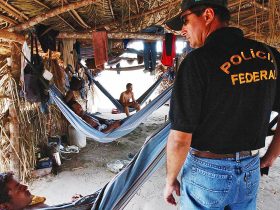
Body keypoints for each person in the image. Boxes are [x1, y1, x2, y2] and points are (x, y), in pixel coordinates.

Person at [164, 0, 280, 209]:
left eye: (185, 20)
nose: (182, 30)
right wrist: (271, 155)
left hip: (207, 172)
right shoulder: (269, 56)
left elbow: (180, 138)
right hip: (250, 170)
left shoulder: (197, 62)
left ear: (207, 15)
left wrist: (170, 179)